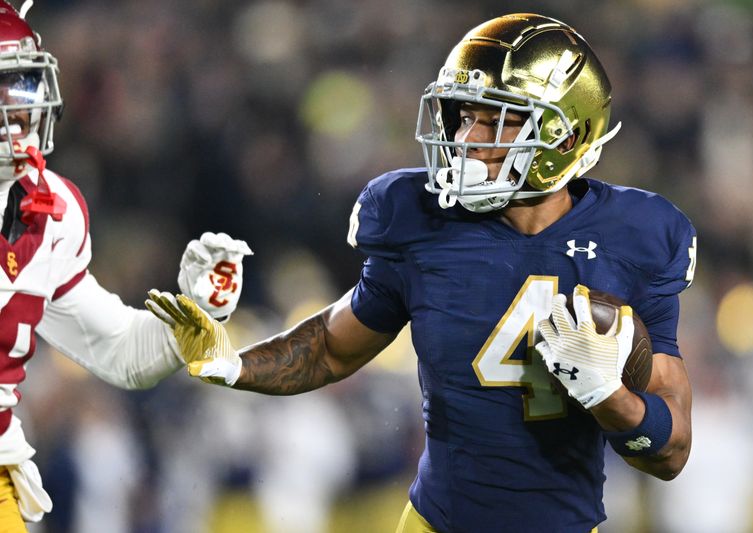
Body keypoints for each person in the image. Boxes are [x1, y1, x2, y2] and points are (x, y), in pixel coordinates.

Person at [148, 13, 696, 533]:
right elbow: (332, 349)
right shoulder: (419, 218)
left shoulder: (638, 237)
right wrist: (230, 364)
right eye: (464, 117)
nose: (464, 139)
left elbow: (671, 453)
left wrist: (606, 395)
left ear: (566, 138)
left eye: (497, 120)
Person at [0, 2, 252, 530]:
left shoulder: (51, 212)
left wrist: (190, 313)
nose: (16, 109)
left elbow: (119, 353)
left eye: (22, 85)